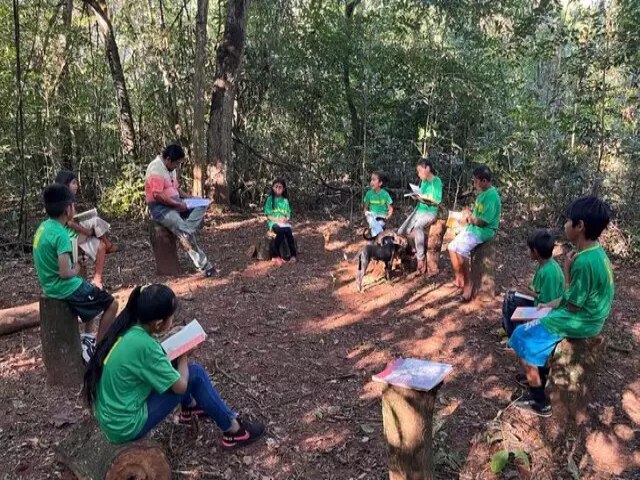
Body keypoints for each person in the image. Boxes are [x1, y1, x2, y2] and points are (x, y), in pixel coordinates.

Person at [83, 284, 265, 447]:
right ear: (158, 323)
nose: (172, 321)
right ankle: (234, 430)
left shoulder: (129, 328)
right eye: (170, 318)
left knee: (175, 366)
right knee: (194, 374)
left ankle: (190, 407)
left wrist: (170, 341)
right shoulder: (145, 346)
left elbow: (149, 358)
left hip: (111, 415)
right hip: (126, 426)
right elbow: (180, 387)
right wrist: (184, 354)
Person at [508, 196, 614, 416]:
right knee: (537, 321)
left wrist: (567, 271)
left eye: (568, 220)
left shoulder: (583, 262)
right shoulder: (595, 253)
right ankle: (538, 372)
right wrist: (549, 304)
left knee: (521, 336)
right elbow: (572, 298)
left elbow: (573, 305)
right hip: (591, 315)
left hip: (583, 320)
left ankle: (539, 401)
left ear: (580, 226)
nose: (565, 225)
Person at [33, 184, 119, 362]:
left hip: (49, 285)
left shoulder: (43, 228)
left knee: (92, 291)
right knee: (112, 304)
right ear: (67, 209)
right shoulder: (61, 235)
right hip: (64, 287)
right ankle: (98, 348)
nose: (74, 207)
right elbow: (65, 272)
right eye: (73, 204)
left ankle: (88, 338)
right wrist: (76, 269)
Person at [145, 144, 215, 277]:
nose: (177, 166)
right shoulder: (156, 169)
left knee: (202, 204)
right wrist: (177, 205)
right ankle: (204, 265)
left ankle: (187, 229)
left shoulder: (171, 169)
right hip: (161, 208)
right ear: (168, 159)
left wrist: (192, 198)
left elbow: (176, 189)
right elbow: (157, 195)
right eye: (176, 163)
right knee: (183, 230)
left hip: (176, 203)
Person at [55, 170, 118, 289]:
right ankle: (108, 243)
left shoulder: (70, 200)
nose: (76, 186)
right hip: (70, 238)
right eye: (73, 183)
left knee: (101, 245)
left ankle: (97, 279)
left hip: (77, 235)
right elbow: (70, 223)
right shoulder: (63, 202)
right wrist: (87, 232)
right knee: (96, 221)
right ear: (65, 184)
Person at [447, 164, 501, 300]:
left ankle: (468, 284)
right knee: (451, 247)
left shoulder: (492, 196)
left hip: (484, 231)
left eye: (476, 180)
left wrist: (468, 219)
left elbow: (483, 221)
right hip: (473, 229)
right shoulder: (482, 194)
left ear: (484, 181)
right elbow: (477, 214)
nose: (474, 183)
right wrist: (467, 215)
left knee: (461, 250)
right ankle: (459, 278)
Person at [502, 229, 565, 337]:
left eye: (529, 249)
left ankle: (514, 335)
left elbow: (547, 303)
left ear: (535, 252)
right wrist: (527, 290)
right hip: (541, 302)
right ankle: (509, 329)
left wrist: (529, 293)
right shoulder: (544, 264)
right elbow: (540, 291)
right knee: (511, 296)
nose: (527, 251)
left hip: (547, 309)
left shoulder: (550, 272)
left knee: (511, 300)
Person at [398, 159, 442, 275]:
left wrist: (424, 198)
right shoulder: (423, 182)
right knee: (401, 231)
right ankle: (413, 250)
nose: (418, 174)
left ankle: (420, 258)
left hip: (430, 212)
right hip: (418, 210)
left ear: (427, 168)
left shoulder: (437, 181)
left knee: (418, 227)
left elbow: (437, 201)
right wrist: (417, 197)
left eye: (420, 171)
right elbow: (421, 196)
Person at [264, 178, 297, 265]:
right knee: (281, 232)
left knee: (289, 232)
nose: (278, 188)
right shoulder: (270, 199)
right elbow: (267, 215)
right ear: (273, 188)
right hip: (273, 223)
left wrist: (286, 219)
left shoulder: (285, 200)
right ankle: (275, 256)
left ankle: (293, 255)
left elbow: (288, 213)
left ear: (284, 189)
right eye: (276, 187)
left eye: (280, 187)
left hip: (284, 223)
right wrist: (277, 220)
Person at [363, 171, 393, 239]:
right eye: (371, 180)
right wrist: (366, 212)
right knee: (372, 221)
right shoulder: (368, 194)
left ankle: (376, 242)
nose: (371, 182)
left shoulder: (385, 194)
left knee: (376, 227)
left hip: (381, 217)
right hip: (371, 216)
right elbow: (365, 208)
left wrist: (388, 216)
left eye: (374, 180)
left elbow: (390, 209)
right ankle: (383, 235)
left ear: (380, 183)